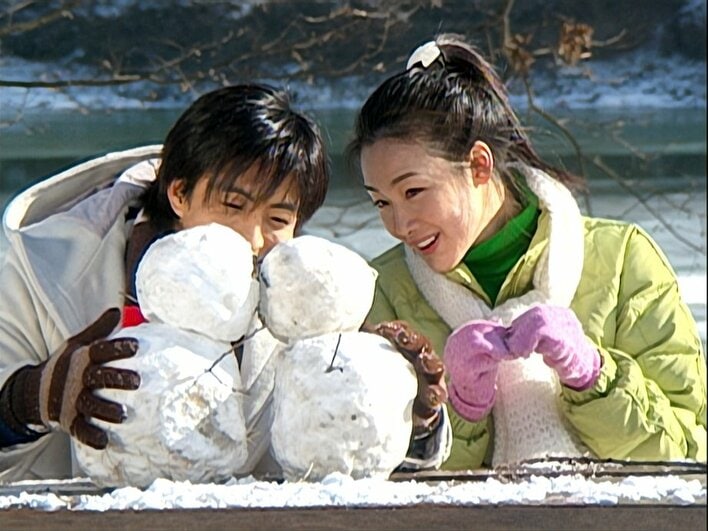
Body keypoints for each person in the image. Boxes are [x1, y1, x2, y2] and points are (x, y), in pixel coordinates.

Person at [0, 83, 449, 483]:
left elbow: (343, 464)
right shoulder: (41, 268)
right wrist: (29, 399)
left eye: (277, 219)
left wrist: (406, 415)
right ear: (179, 193)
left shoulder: (305, 304)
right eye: (233, 206)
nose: (252, 239)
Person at [347, 34, 706, 469]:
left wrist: (593, 374)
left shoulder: (623, 259)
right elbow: (371, 470)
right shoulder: (380, 292)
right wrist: (455, 410)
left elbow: (690, 449)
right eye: (381, 202)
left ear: (479, 165)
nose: (399, 225)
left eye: (414, 192)